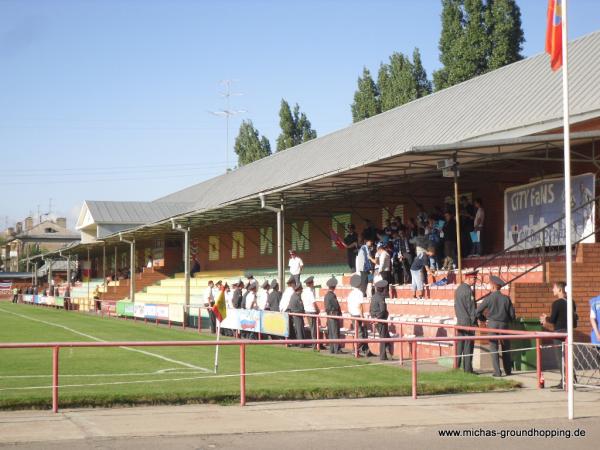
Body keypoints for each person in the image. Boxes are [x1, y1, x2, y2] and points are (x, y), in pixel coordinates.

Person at [541, 281, 578, 388]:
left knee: (560, 357)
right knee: (569, 357)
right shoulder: (572, 301)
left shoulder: (556, 303)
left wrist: (545, 319)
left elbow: (553, 320)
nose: (553, 290)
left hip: (559, 332)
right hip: (569, 331)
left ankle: (565, 381)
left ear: (560, 290)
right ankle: (572, 379)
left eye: (554, 288)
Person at [477, 276, 516, 377]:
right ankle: (508, 371)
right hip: (504, 325)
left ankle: (497, 372)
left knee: (494, 348)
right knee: (506, 348)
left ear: (494, 286)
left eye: (490, 284)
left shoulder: (488, 298)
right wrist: (508, 320)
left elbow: (477, 312)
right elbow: (512, 315)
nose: (489, 286)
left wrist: (483, 319)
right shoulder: (506, 298)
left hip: (493, 324)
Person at [454, 271, 479, 373]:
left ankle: (456, 366)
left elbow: (456, 306)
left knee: (460, 345)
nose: (475, 281)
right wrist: (474, 322)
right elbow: (471, 308)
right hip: (468, 322)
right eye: (474, 279)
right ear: (468, 278)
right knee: (468, 346)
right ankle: (468, 369)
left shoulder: (458, 289)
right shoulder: (468, 291)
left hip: (460, 321)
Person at [347, 274, 373, 357]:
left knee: (361, 333)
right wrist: (362, 318)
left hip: (352, 314)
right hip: (358, 315)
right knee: (361, 334)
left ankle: (365, 350)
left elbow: (349, 305)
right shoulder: (359, 293)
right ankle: (356, 350)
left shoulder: (351, 293)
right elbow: (360, 306)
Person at [370, 279, 391, 360]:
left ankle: (388, 349)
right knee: (382, 337)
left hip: (376, 318)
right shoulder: (381, 297)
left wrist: (373, 317)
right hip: (381, 320)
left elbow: (371, 309)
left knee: (386, 336)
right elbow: (383, 310)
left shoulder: (374, 296)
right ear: (383, 289)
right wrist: (377, 318)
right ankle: (383, 356)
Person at [324, 277, 342, 354]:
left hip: (329, 315)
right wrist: (339, 313)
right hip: (333, 315)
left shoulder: (326, 295)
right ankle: (336, 349)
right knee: (335, 333)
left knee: (331, 333)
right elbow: (336, 306)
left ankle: (332, 349)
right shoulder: (332, 295)